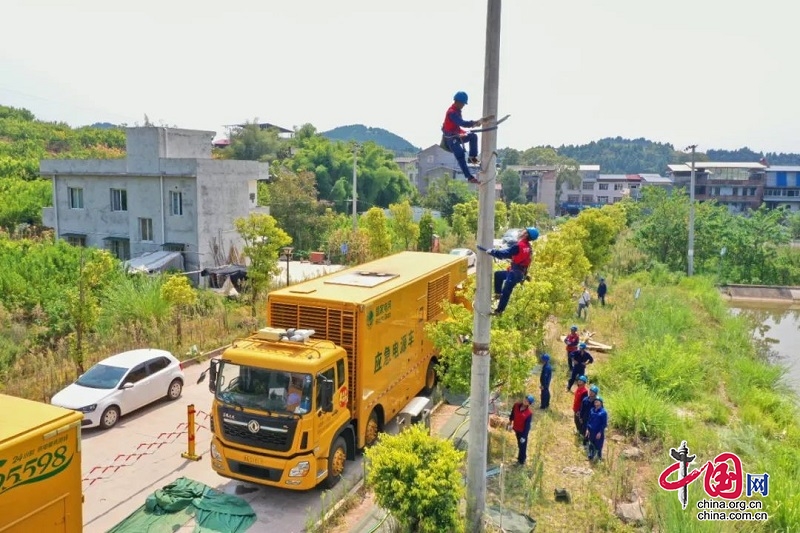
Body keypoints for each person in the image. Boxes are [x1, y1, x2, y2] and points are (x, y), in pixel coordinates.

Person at [484, 227, 539, 316]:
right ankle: (498, 294)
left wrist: (492, 252)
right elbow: (520, 257)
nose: (521, 232)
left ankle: (499, 311)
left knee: (506, 291)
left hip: (515, 273)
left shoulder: (519, 246)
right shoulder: (527, 247)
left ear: (526, 235)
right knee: (498, 275)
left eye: (524, 231)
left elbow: (505, 253)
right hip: (519, 273)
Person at [441, 91, 485, 183]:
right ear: (457, 101)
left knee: (473, 136)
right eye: (462, 104)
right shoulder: (451, 112)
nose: (463, 106)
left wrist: (472, 126)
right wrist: (473, 123)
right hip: (451, 139)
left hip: (457, 135)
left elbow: (459, 126)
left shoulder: (457, 111)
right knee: (460, 154)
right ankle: (469, 177)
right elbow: (461, 123)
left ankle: (472, 157)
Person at [508, 394, 534, 465]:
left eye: (527, 401)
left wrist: (524, 437)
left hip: (522, 432)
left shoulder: (528, 413)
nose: (525, 401)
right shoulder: (516, 405)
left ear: (529, 404)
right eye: (525, 399)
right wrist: (510, 423)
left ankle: (521, 461)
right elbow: (512, 414)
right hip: (516, 429)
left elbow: (527, 426)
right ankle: (522, 457)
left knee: (522, 446)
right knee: (519, 445)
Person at [586, 396, 608, 461]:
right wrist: (587, 429)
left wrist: (600, 432)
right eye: (595, 401)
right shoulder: (592, 410)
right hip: (591, 430)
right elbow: (589, 420)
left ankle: (599, 457)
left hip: (598, 431)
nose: (596, 402)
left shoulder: (603, 412)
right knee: (591, 443)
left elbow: (604, 424)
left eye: (597, 401)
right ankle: (591, 455)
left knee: (598, 445)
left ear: (601, 403)